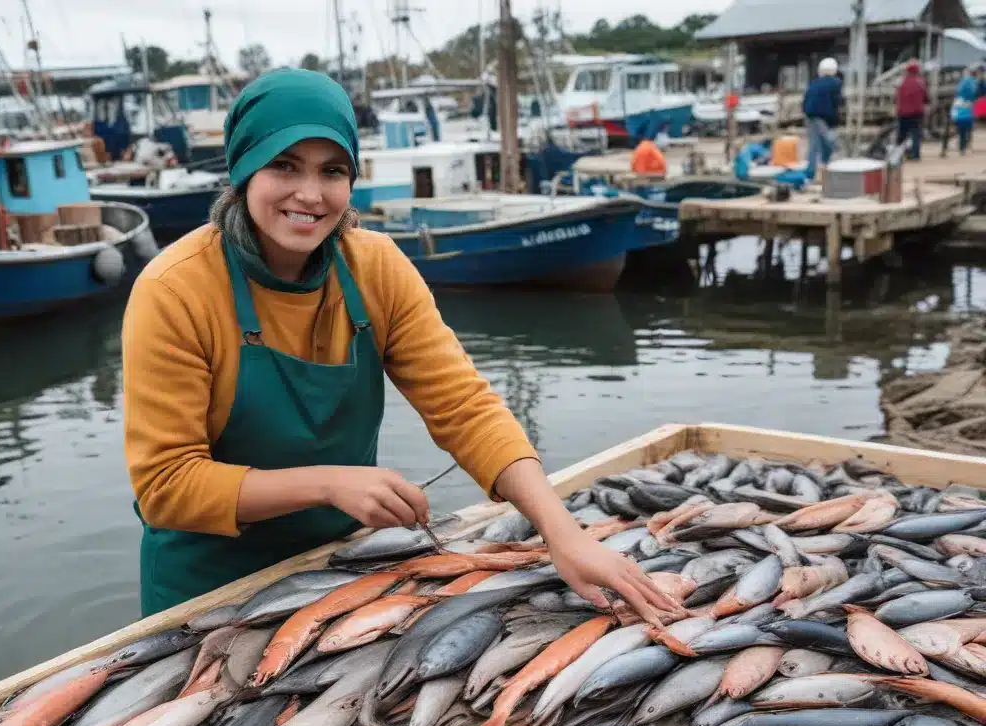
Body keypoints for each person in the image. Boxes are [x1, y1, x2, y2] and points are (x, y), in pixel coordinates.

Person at [122, 68, 674, 621]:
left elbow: (465, 408)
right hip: (205, 592)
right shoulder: (175, 289)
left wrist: (562, 534)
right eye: (283, 165)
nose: (310, 194)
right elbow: (166, 485)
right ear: (243, 169)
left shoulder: (375, 266)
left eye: (332, 171)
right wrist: (330, 484)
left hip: (337, 570)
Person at [802, 57, 842, 179]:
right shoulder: (835, 83)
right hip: (824, 117)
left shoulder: (814, 83)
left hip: (811, 116)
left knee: (814, 145)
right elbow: (837, 102)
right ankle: (836, 164)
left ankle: (810, 172)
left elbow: (806, 99)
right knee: (830, 142)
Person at [895, 59, 928, 161]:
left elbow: (896, 97)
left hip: (903, 113)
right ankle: (915, 155)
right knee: (916, 135)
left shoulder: (901, 81)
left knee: (901, 135)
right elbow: (926, 98)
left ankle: (898, 155)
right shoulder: (921, 82)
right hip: (917, 113)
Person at [952, 66, 979, 154]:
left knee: (961, 130)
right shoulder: (972, 82)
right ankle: (965, 146)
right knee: (967, 129)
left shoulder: (963, 82)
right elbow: (974, 94)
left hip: (960, 109)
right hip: (968, 109)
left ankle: (962, 146)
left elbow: (957, 94)